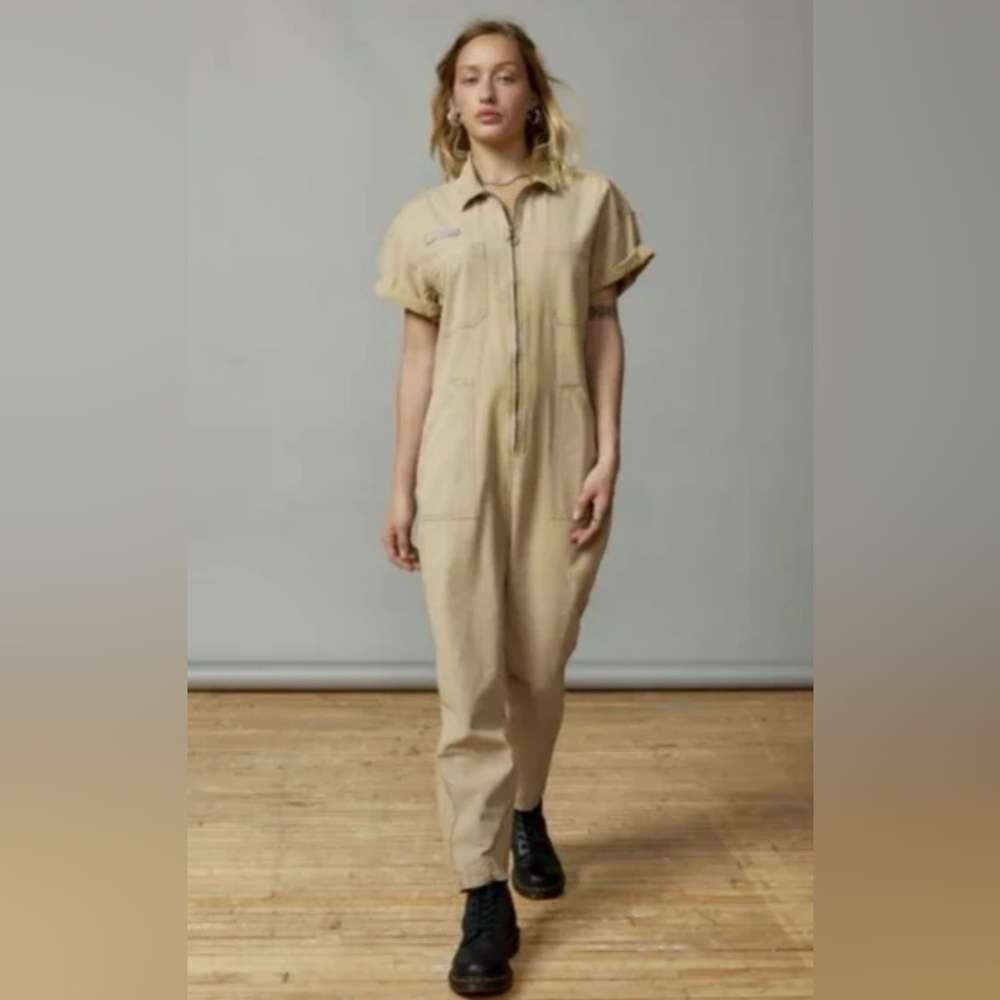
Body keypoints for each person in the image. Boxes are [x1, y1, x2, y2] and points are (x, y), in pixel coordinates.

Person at [374, 17, 654, 998]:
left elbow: (603, 327)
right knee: (469, 680)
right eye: (468, 79)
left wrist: (608, 451)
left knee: (539, 665)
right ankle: (482, 888)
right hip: (457, 467)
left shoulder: (590, 203)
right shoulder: (423, 220)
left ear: (534, 93)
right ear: (450, 102)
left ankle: (526, 806)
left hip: (562, 460)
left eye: (504, 76)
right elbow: (416, 360)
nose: (486, 93)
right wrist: (401, 482)